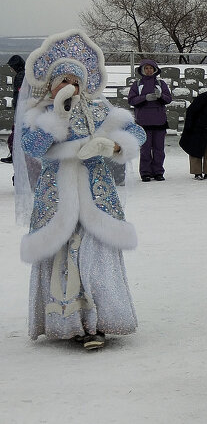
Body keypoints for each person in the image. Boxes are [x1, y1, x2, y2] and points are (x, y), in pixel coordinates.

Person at [16, 30, 146, 350]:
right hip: (56, 195)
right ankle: (70, 322)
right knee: (63, 253)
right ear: (51, 83)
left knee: (94, 252)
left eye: (74, 79)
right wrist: (57, 118)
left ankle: (99, 322)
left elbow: (137, 134)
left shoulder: (99, 109)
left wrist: (111, 146)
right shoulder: (40, 113)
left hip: (95, 192)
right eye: (62, 80)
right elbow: (31, 146)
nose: (69, 86)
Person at [126, 58, 174, 182]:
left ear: (155, 70)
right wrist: (144, 98)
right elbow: (131, 100)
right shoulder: (137, 84)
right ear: (142, 70)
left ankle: (158, 172)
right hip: (143, 121)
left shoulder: (161, 84)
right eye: (146, 68)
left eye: (151, 68)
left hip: (159, 121)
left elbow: (168, 99)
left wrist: (160, 96)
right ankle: (145, 172)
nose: (148, 70)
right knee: (145, 149)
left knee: (159, 149)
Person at [3, 54, 26, 163]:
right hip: (25, 110)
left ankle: (14, 156)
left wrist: (17, 108)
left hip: (22, 111)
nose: (11, 69)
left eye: (12, 67)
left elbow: (20, 93)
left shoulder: (20, 76)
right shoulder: (26, 74)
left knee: (14, 136)